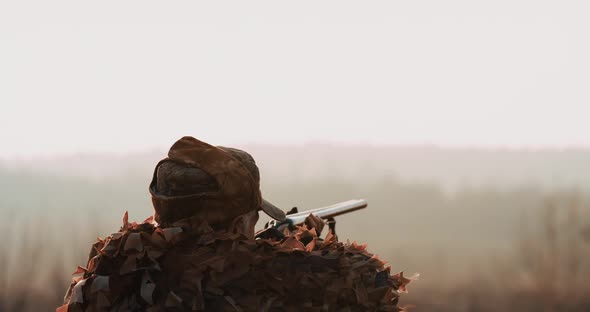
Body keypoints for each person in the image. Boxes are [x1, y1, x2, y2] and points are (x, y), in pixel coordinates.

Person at [58, 136, 413, 311]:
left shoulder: (112, 268)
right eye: (254, 218)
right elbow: (374, 286)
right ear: (243, 218)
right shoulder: (254, 274)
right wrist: (306, 248)